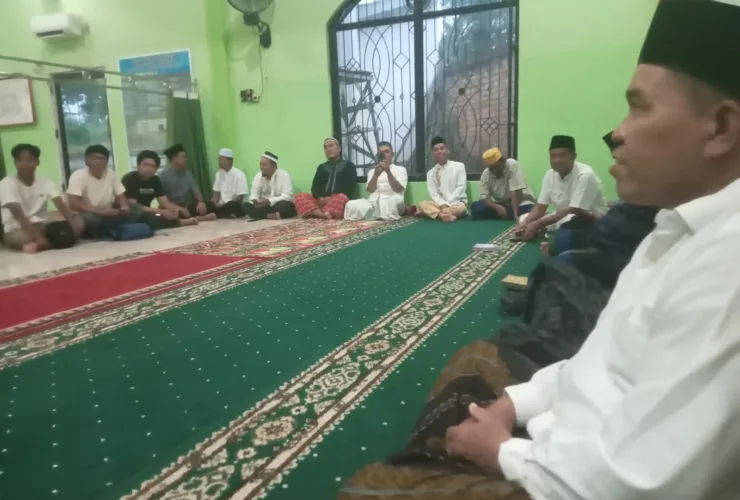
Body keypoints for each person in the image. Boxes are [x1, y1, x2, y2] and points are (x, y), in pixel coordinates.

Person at [339, 2, 740, 499]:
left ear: (721, 128)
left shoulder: (727, 266)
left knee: (369, 490)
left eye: (639, 108)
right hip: (562, 440)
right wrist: (513, 405)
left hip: (578, 481)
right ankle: (443, 456)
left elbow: (643, 484)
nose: (617, 132)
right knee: (477, 359)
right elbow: (595, 361)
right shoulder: (674, 229)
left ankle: (439, 460)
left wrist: (502, 450)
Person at [545, 132, 659, 288]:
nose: (612, 170)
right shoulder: (550, 175)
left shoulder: (656, 195)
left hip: (625, 250)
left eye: (621, 162)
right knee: (558, 240)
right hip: (602, 226)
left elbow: (617, 229)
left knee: (563, 259)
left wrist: (594, 216)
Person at [514, 135, 608, 241]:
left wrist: (538, 224)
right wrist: (525, 223)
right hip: (561, 215)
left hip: (587, 218)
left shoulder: (585, 175)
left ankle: (547, 232)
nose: (556, 160)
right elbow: (540, 208)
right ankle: (539, 229)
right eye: (552, 156)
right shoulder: (550, 175)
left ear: (574, 156)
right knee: (524, 218)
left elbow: (575, 210)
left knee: (568, 221)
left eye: (562, 155)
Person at [0, 143, 83, 253]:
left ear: (37, 162)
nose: (24, 164)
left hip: (41, 225)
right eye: (20, 160)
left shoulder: (45, 181)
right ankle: (32, 243)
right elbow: (19, 215)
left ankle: (39, 244)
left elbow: (59, 203)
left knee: (78, 221)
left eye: (29, 160)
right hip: (17, 228)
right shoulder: (6, 183)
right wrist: (38, 238)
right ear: (15, 163)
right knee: (27, 237)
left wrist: (73, 224)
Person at [66, 145, 150, 238]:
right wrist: (99, 211)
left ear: (106, 161)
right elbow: (74, 203)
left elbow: (120, 195)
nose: (98, 162)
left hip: (109, 213)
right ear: (86, 160)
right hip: (89, 213)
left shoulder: (111, 173)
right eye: (94, 158)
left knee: (135, 209)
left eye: (102, 159)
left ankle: (108, 230)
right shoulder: (78, 176)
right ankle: (108, 230)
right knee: (85, 220)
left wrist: (124, 206)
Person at [122, 150, 199, 229]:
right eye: (145, 164)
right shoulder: (130, 178)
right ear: (138, 165)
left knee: (165, 214)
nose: (148, 168)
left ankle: (180, 220)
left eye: (152, 166)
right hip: (130, 213)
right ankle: (180, 222)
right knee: (153, 217)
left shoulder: (155, 180)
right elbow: (134, 206)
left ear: (156, 169)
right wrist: (162, 212)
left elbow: (165, 202)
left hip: (148, 212)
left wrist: (177, 210)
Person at [294, 138, 357, 219]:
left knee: (342, 197)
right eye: (325, 147)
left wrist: (330, 198)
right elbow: (315, 188)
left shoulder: (349, 166)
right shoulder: (321, 167)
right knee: (300, 196)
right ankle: (323, 214)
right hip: (320, 202)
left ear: (339, 149)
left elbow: (349, 188)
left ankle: (316, 213)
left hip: (336, 201)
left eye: (331, 146)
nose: (328, 149)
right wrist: (320, 198)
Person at [344, 141, 407, 221]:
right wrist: (375, 175)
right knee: (351, 204)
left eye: (386, 151)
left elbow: (398, 189)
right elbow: (370, 190)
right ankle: (376, 213)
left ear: (392, 154)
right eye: (381, 152)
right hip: (373, 202)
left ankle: (373, 214)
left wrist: (388, 172)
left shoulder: (400, 170)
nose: (384, 154)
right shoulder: (372, 171)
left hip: (392, 201)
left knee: (392, 203)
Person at [470, 147, 536, 221]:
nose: (494, 171)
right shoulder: (486, 174)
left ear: (502, 161)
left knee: (530, 209)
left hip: (519, 202)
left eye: (496, 167)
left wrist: (515, 215)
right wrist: (496, 207)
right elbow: (484, 197)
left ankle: (506, 214)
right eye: (491, 169)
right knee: (475, 207)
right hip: (499, 204)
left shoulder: (512, 165)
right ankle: (505, 213)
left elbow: (515, 192)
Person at [158, 144, 217, 222]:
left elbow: (196, 192)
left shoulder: (188, 174)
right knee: (170, 215)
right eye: (184, 157)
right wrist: (179, 208)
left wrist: (200, 202)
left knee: (209, 205)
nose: (186, 159)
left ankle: (191, 218)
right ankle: (196, 219)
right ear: (174, 159)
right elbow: (163, 201)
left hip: (183, 206)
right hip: (169, 207)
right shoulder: (163, 176)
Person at [417, 137, 468, 222]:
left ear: (447, 150)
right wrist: (443, 204)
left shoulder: (459, 166)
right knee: (421, 204)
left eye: (442, 148)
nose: (439, 151)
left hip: (457, 203)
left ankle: (434, 213)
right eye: (436, 150)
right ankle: (442, 216)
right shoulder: (430, 173)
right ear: (433, 153)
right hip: (440, 205)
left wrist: (447, 204)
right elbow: (434, 194)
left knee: (461, 208)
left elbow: (461, 188)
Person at [244, 151, 296, 220]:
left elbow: (287, 196)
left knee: (285, 205)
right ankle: (269, 215)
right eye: (260, 164)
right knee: (245, 205)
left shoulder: (284, 175)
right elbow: (254, 193)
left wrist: (269, 201)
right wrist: (255, 200)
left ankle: (262, 215)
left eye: (264, 165)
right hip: (264, 206)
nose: (261, 167)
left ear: (274, 166)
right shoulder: (258, 176)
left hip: (277, 205)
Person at [211, 148, 248, 219]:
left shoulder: (240, 174)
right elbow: (215, 196)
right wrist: (212, 204)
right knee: (207, 205)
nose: (219, 162)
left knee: (232, 205)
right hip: (221, 206)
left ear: (230, 161)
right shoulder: (218, 174)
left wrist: (224, 205)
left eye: (222, 159)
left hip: (233, 205)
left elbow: (240, 198)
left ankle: (222, 214)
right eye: (219, 159)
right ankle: (223, 214)